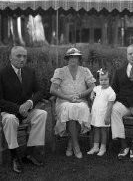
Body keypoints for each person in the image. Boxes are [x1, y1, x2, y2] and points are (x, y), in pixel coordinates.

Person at [0, 46, 47, 174]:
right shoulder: (2, 74)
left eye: (24, 56)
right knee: (9, 120)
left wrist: (30, 102)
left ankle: (29, 153)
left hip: (27, 110)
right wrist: (18, 108)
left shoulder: (29, 71)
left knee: (42, 114)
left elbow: (40, 91)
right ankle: (15, 156)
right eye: (18, 56)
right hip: (9, 111)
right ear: (10, 57)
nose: (22, 59)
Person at [50, 47, 95, 159]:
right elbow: (52, 90)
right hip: (64, 102)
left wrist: (80, 95)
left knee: (80, 108)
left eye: (76, 57)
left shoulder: (85, 71)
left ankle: (70, 144)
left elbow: (92, 86)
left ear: (79, 59)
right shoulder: (60, 71)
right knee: (70, 109)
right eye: (71, 57)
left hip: (80, 101)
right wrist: (68, 98)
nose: (73, 59)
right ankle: (76, 146)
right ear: (67, 58)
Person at [87, 69, 116, 157]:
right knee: (96, 130)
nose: (103, 82)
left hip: (104, 114)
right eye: (101, 80)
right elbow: (93, 90)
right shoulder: (97, 88)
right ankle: (95, 147)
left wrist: (107, 117)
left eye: (106, 80)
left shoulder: (111, 92)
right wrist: (92, 94)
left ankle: (103, 147)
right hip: (96, 114)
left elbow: (110, 106)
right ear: (99, 80)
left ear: (109, 80)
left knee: (103, 131)